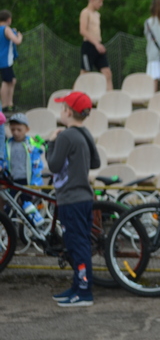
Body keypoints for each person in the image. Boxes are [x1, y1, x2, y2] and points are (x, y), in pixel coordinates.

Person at [48, 92, 101, 306]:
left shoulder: (65, 136)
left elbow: (53, 165)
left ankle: (84, 291)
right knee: (75, 243)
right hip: (83, 197)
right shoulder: (84, 133)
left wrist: (51, 143)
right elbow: (95, 162)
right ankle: (76, 286)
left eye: (63, 108)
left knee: (77, 244)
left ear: (69, 112)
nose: (61, 111)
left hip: (71, 198)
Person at [79, 0, 113, 91]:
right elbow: (83, 31)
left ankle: (109, 100)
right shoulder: (85, 12)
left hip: (98, 45)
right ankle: (75, 100)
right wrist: (96, 44)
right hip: (89, 45)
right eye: (99, 1)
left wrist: (98, 44)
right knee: (84, 74)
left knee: (107, 73)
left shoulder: (97, 15)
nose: (101, 4)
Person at [2, 113, 44, 188]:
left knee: (27, 199)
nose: (15, 132)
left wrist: (36, 183)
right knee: (9, 199)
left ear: (27, 129)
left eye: (19, 130)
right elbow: (3, 161)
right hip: (10, 180)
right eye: (13, 130)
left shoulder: (31, 146)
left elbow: (37, 165)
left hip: (27, 181)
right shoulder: (7, 145)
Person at [0, 10, 22, 112]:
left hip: (3, 59)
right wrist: (19, 36)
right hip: (5, 60)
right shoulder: (6, 29)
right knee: (6, 81)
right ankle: (5, 105)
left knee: (12, 80)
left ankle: (10, 103)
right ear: (8, 19)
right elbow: (16, 41)